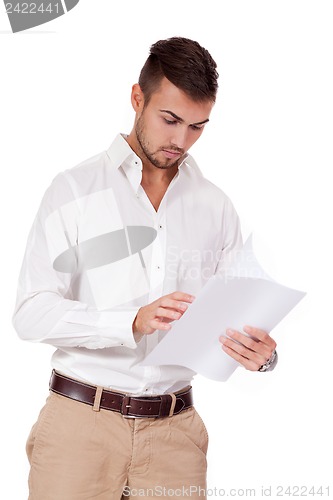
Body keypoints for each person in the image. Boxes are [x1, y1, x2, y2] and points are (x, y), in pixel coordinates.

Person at [13, 37, 277, 499]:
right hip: (79, 429)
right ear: (137, 98)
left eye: (197, 126)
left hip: (176, 437)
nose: (181, 141)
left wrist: (263, 355)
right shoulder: (74, 190)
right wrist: (130, 321)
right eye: (170, 119)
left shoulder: (215, 206)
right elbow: (30, 313)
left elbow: (241, 312)